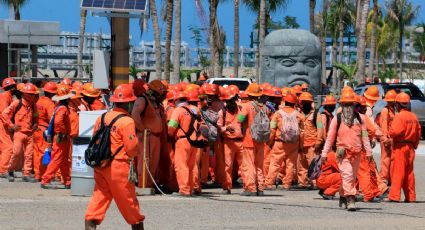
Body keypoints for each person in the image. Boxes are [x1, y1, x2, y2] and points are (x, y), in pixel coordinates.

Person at [85, 84, 145, 230]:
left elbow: (95, 139)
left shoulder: (103, 117)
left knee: (98, 200)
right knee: (129, 203)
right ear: (129, 103)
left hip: (100, 165)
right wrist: (137, 150)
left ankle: (90, 224)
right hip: (119, 167)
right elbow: (131, 148)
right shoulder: (127, 121)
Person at [321, 90, 373, 211]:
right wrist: (324, 153)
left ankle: (343, 196)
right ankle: (351, 199)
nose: (348, 107)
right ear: (341, 105)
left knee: (351, 177)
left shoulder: (361, 119)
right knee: (348, 175)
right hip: (342, 153)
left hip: (357, 153)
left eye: (350, 104)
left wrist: (369, 152)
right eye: (345, 104)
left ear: (354, 105)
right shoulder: (337, 119)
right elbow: (330, 137)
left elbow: (365, 136)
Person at [131, 80, 167, 189]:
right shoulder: (142, 99)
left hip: (154, 136)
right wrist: (142, 129)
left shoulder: (154, 101)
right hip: (147, 136)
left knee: (153, 162)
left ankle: (149, 184)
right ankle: (143, 184)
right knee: (145, 160)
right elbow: (135, 113)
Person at [1, 83, 39, 182]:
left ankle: (26, 174)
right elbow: (4, 114)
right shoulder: (17, 103)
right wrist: (11, 126)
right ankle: (10, 170)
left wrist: (35, 124)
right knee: (16, 153)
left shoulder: (33, 105)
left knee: (29, 154)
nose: (33, 96)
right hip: (19, 133)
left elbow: (35, 116)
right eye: (31, 94)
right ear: (25, 94)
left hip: (29, 133)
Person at [265, 93, 303, 190]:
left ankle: (269, 183)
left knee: (275, 163)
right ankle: (287, 184)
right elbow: (302, 133)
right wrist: (300, 146)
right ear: (294, 103)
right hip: (294, 143)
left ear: (284, 101)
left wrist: (270, 142)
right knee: (290, 164)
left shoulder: (278, 113)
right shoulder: (298, 115)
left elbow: (272, 128)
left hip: (279, 142)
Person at [388, 92, 421, 202]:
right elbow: (418, 133)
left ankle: (394, 196)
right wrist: (414, 145)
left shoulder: (399, 116)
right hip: (410, 147)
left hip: (400, 147)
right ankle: (411, 197)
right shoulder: (414, 117)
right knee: (409, 173)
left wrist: (390, 132)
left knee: (398, 172)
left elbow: (395, 132)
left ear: (397, 104)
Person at [41, 84, 73, 189]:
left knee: (63, 160)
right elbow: (58, 122)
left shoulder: (58, 107)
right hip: (61, 137)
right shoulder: (63, 108)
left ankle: (67, 181)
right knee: (57, 159)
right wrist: (61, 133)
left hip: (61, 136)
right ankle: (46, 180)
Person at [220, 89, 244, 194]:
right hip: (228, 142)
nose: (231, 103)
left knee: (245, 165)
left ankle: (248, 186)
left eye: (232, 100)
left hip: (241, 141)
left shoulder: (241, 109)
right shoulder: (223, 112)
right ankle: (227, 187)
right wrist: (226, 128)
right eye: (228, 101)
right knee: (227, 165)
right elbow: (219, 128)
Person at [34, 82, 57, 181]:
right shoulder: (50, 104)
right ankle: (43, 174)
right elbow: (52, 119)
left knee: (36, 152)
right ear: (53, 94)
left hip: (36, 129)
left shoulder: (38, 101)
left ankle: (37, 174)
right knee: (44, 152)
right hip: (45, 130)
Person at [297, 92, 317, 189]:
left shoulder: (316, 115)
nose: (305, 104)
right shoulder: (298, 114)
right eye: (304, 102)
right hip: (301, 144)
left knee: (312, 164)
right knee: (301, 165)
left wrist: (319, 141)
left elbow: (320, 128)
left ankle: (315, 183)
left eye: (307, 102)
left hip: (312, 144)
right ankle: (302, 182)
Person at [0, 78, 18, 178]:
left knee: (4, 148)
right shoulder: (5, 96)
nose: (12, 88)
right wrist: (11, 125)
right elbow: (3, 114)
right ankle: (3, 170)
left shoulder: (8, 96)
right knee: (8, 147)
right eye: (11, 87)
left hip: (4, 123)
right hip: (3, 124)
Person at [379, 90, 397, 184]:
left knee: (391, 159)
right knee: (385, 159)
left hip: (391, 139)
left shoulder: (393, 110)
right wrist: (385, 139)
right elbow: (384, 125)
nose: (391, 102)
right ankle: (383, 179)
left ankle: (389, 178)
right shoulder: (385, 110)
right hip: (386, 139)